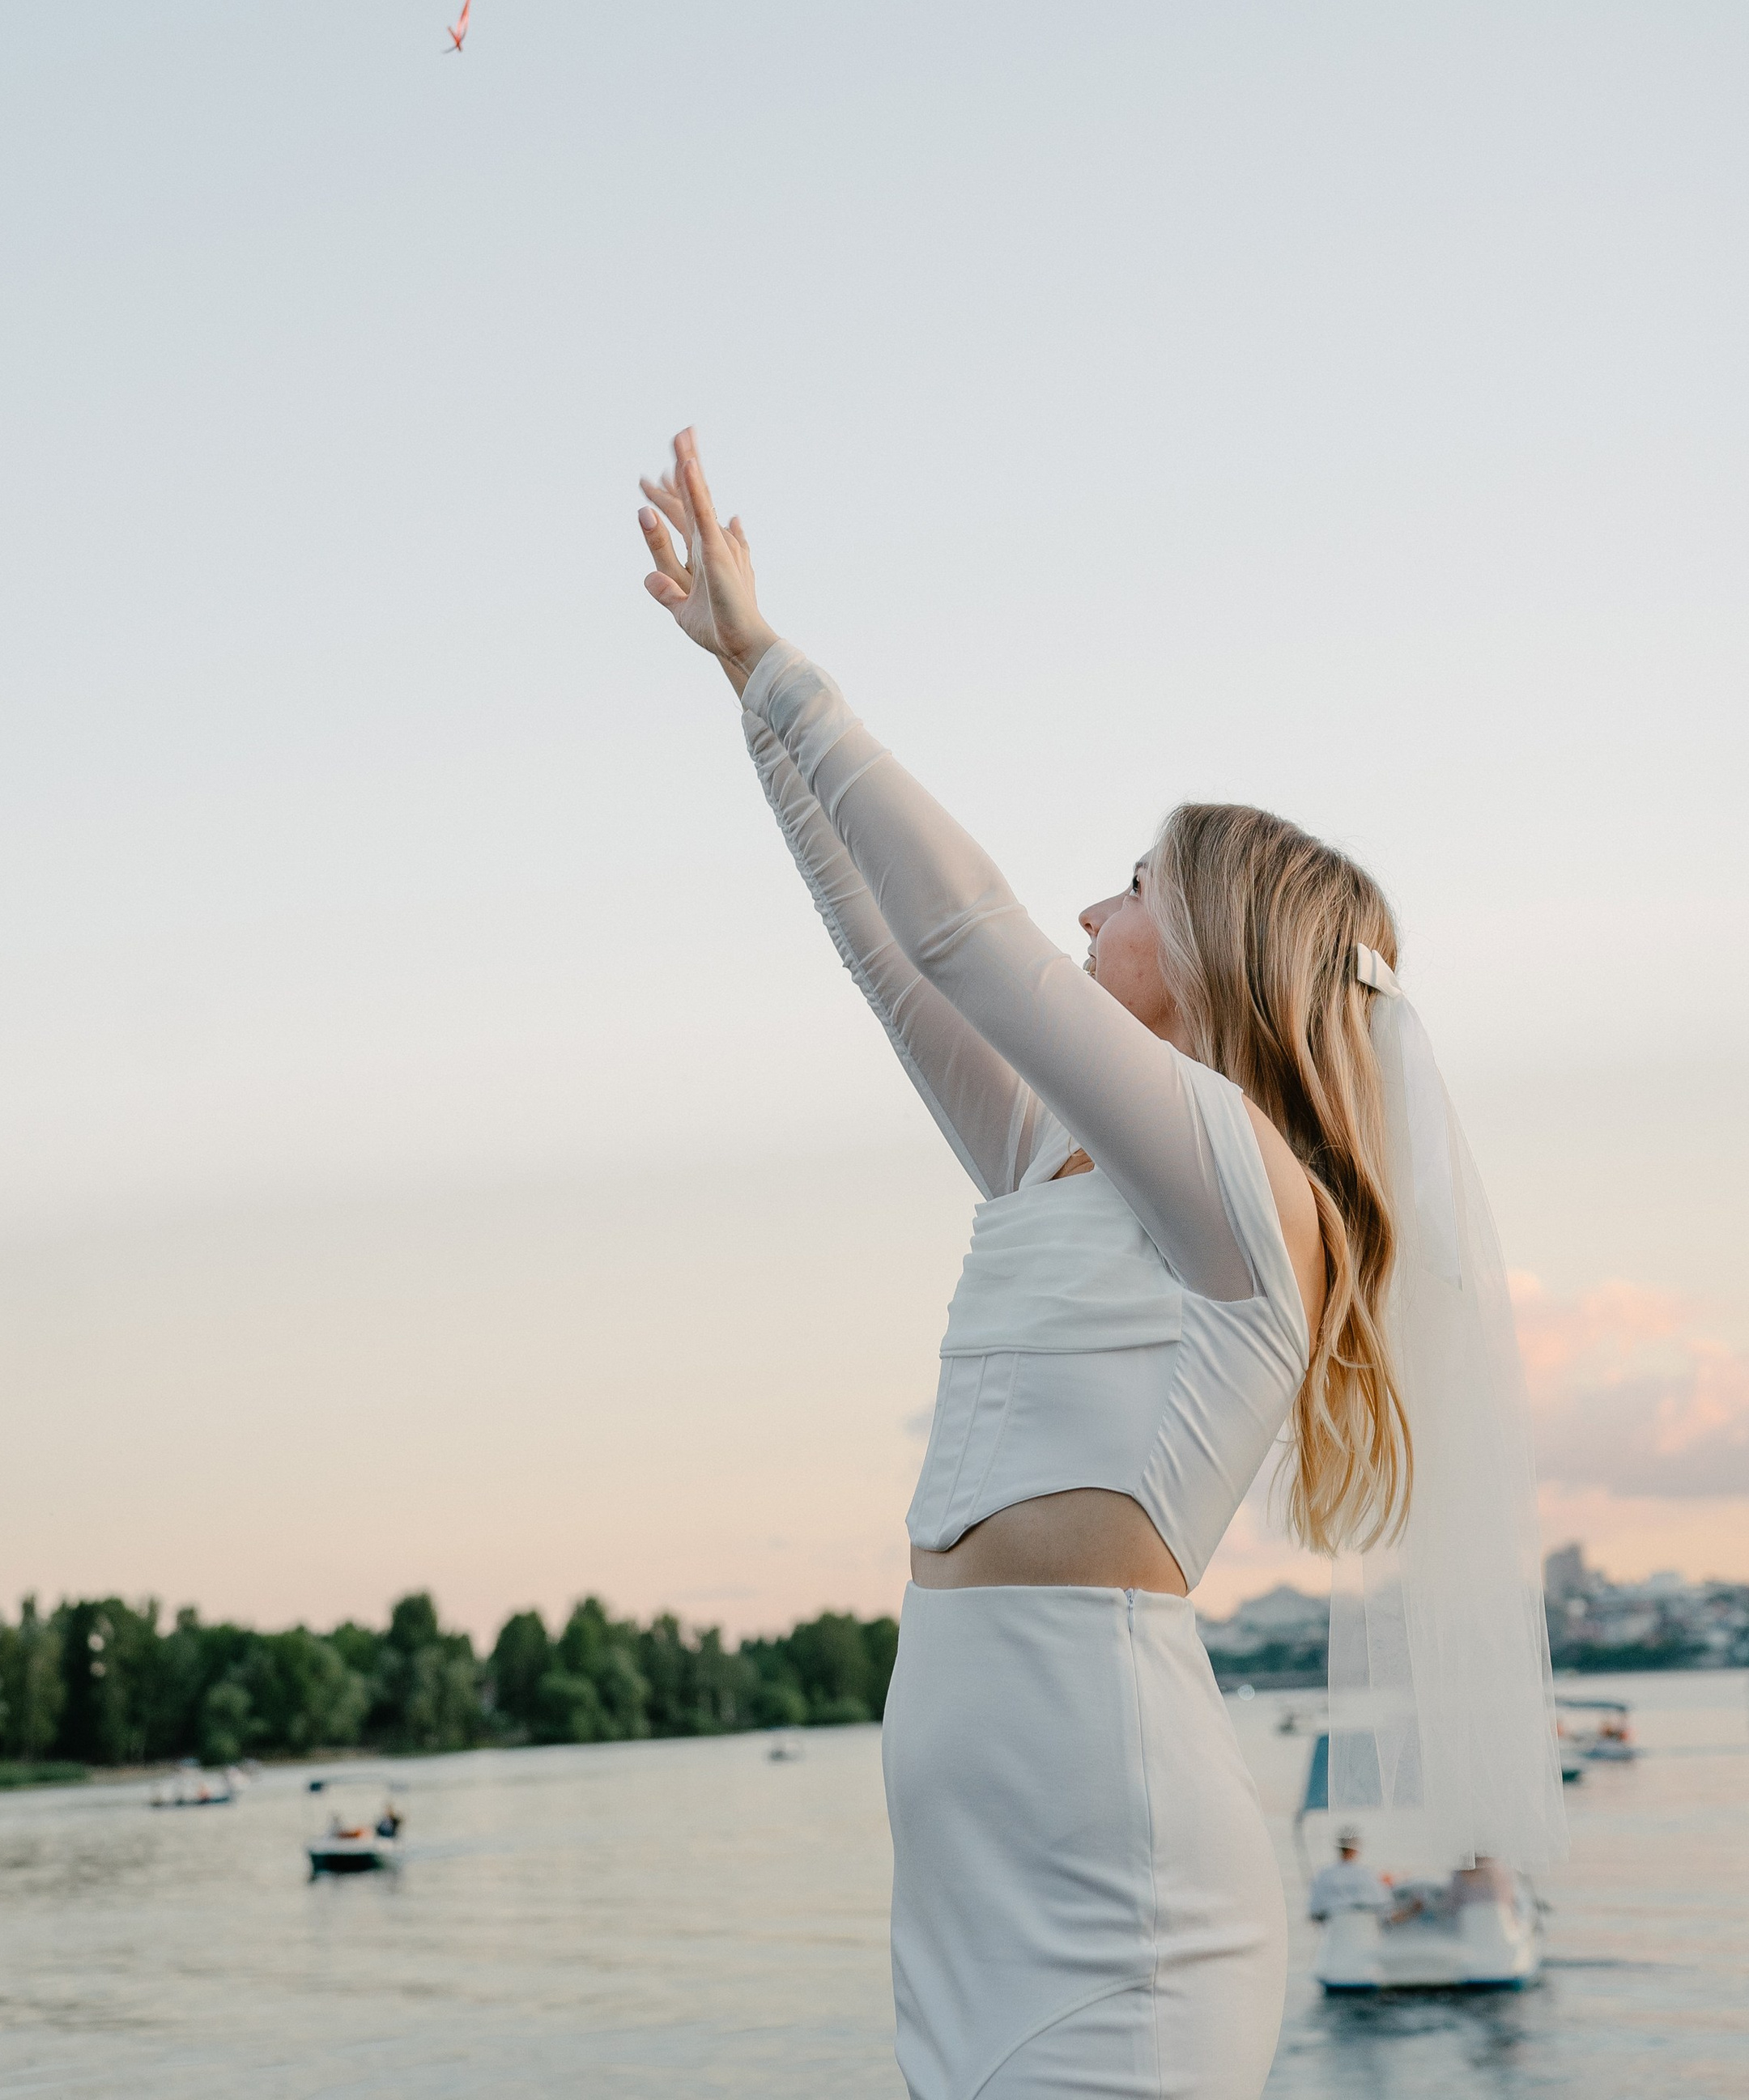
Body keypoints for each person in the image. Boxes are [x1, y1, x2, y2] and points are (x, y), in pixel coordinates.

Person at [636, 429, 1560, 2100]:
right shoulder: (1043, 1148)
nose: (1084, 913)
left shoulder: (1242, 1183)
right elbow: (881, 942)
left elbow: (964, 931)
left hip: (1114, 1869)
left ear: (1214, 941)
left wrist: (782, 666)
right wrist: (735, 685)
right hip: (967, 1866)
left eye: (1127, 887)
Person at [1307, 1833, 1393, 1923]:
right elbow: (1383, 1904)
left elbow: (1314, 1910)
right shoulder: (1365, 1874)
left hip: (1335, 1926)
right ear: (1355, 1850)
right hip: (1363, 1926)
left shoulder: (1325, 1874)